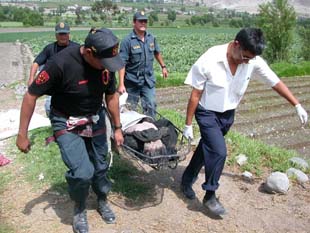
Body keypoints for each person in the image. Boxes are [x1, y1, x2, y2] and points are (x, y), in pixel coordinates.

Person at [181, 28, 308, 216]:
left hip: (227, 114)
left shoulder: (252, 61)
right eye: (245, 57)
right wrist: (188, 125)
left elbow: (274, 82)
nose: (246, 62)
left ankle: (186, 180)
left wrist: (296, 104)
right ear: (236, 44)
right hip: (207, 112)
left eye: (250, 59)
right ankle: (210, 194)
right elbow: (195, 94)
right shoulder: (209, 59)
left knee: (207, 147)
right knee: (219, 151)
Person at [16, 28, 124, 233]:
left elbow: (111, 96)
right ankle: (80, 207)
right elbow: (31, 95)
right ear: (89, 53)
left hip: (95, 117)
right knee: (83, 173)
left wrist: (117, 128)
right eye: (104, 62)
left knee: (100, 167)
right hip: (65, 120)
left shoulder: (105, 66)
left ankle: (101, 199)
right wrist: (22, 134)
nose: (107, 68)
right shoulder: (59, 64)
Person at [118, 11, 168, 118]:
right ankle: (131, 132)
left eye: (145, 21)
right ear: (134, 23)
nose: (143, 24)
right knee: (130, 109)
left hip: (147, 81)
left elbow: (156, 52)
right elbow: (122, 64)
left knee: (151, 105)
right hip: (132, 82)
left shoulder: (151, 38)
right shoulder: (127, 41)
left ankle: (150, 128)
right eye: (140, 21)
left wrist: (163, 66)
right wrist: (121, 84)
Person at [28, 22, 79, 117]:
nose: (63, 36)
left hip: (71, 86)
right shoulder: (50, 49)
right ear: (56, 35)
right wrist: (31, 79)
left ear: (69, 34)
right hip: (54, 87)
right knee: (49, 107)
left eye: (65, 34)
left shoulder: (76, 48)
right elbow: (36, 63)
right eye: (60, 34)